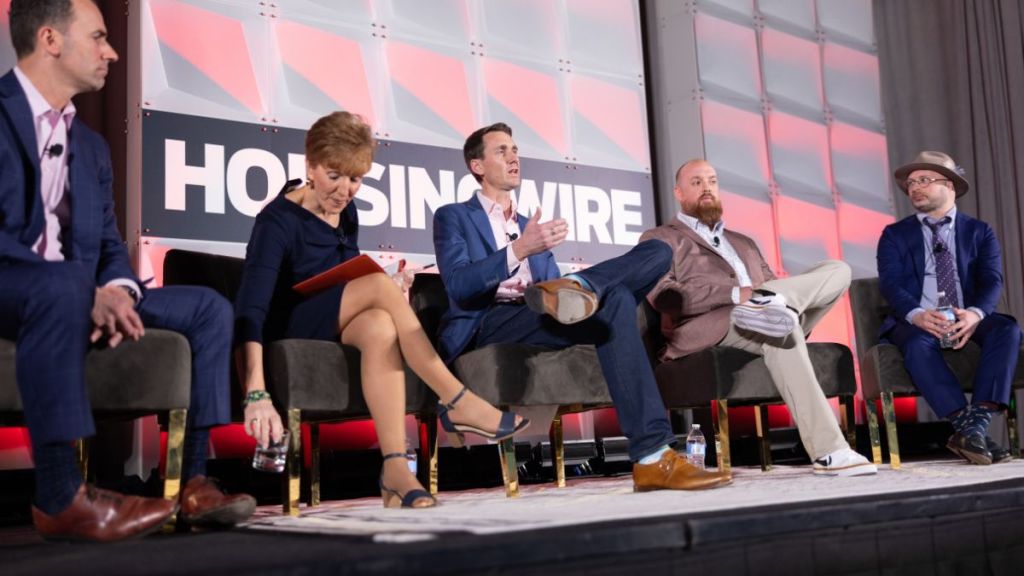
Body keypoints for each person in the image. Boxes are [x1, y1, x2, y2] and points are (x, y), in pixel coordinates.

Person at [0, 0, 255, 542]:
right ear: (50, 40)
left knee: (209, 307)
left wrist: (117, 288)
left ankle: (193, 482)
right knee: (62, 286)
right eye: (98, 37)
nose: (111, 51)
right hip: (15, 284)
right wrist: (78, 289)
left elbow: (109, 244)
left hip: (79, 289)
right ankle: (58, 495)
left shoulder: (90, 146)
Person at [235, 112, 529, 509]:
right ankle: (456, 398)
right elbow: (250, 309)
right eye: (334, 176)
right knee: (376, 288)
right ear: (311, 166)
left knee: (379, 325)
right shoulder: (277, 221)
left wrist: (389, 284)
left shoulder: (347, 211)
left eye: (355, 179)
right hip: (289, 322)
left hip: (332, 313)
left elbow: (342, 273)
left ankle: (395, 471)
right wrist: (255, 392)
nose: (345, 190)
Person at [432, 123, 732, 492]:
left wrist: (552, 272)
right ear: (477, 166)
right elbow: (459, 286)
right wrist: (519, 249)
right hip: (490, 319)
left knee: (654, 257)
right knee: (612, 295)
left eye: (515, 150)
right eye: (501, 151)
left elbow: (550, 294)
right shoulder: (454, 216)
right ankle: (653, 454)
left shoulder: (530, 225)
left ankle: (652, 457)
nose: (513, 157)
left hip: (538, 310)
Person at [640, 159, 876, 477]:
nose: (707, 187)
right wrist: (736, 295)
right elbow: (664, 296)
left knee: (838, 270)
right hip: (710, 326)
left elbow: (772, 284)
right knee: (780, 331)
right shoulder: (661, 238)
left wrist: (769, 297)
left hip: (765, 313)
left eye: (712, 180)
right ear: (678, 193)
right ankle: (829, 451)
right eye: (696, 182)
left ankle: (773, 305)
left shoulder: (743, 242)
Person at [877, 151, 1020, 465]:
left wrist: (975, 314)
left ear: (950, 186)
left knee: (1007, 329)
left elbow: (992, 280)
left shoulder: (980, 232)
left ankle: (977, 422)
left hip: (964, 313)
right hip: (916, 318)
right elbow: (891, 283)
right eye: (911, 183)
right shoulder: (894, 235)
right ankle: (968, 427)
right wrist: (916, 314)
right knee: (917, 343)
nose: (915, 187)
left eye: (924, 180)